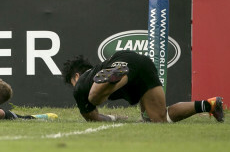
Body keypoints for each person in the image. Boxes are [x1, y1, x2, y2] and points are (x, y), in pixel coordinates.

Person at [62, 51, 224, 123]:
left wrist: (112, 118)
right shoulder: (101, 67)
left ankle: (110, 80)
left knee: (92, 98)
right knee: (160, 117)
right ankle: (209, 104)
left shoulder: (82, 81)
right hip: (141, 63)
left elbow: (93, 118)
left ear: (76, 76)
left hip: (116, 68)